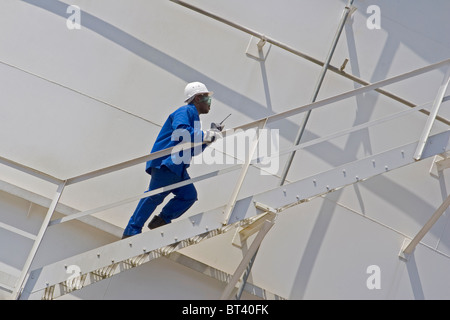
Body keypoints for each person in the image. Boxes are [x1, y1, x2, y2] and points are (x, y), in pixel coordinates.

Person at [122, 82, 223, 239]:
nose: (210, 103)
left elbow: (193, 150)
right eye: (207, 99)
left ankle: (161, 221)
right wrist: (205, 135)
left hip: (178, 167)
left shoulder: (194, 118)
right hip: (167, 163)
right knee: (154, 196)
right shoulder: (186, 111)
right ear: (197, 98)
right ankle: (131, 230)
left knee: (188, 195)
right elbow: (181, 131)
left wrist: (209, 139)